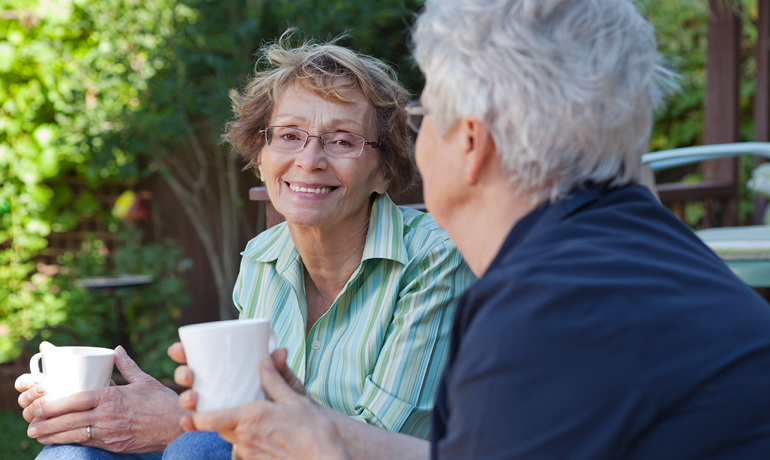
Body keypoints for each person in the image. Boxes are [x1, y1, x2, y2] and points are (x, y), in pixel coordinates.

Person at [173, 0, 770, 459]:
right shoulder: (646, 253)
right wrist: (320, 427)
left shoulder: (541, 309)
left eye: (425, 116)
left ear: (470, 143)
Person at [14, 36, 475, 459]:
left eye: (342, 141)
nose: (309, 161)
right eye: (289, 135)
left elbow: (368, 438)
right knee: (69, 454)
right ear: (261, 157)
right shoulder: (262, 258)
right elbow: (242, 407)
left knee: (195, 446)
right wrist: (114, 410)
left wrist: (180, 418)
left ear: (384, 171)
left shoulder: (434, 258)